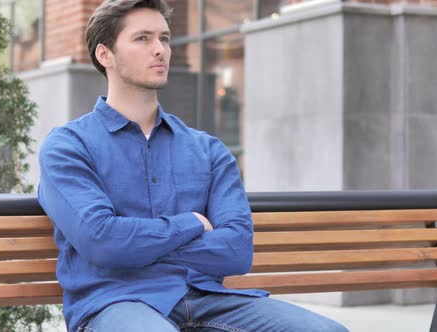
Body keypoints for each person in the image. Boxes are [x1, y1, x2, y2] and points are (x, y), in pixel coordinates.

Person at [38, 1, 349, 331]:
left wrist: (135, 249)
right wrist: (191, 224)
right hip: (115, 303)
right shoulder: (69, 146)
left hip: (207, 299)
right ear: (105, 55)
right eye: (142, 38)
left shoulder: (208, 150)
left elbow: (237, 250)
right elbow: (102, 240)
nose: (160, 50)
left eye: (165, 38)